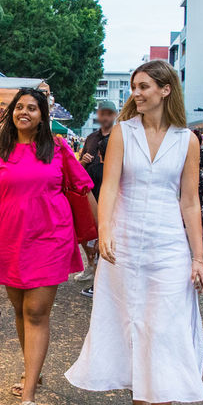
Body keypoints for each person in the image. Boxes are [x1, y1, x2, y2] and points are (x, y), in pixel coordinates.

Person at [65, 59, 203, 405]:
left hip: (168, 247)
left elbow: (190, 201)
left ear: (165, 89)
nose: (136, 93)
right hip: (125, 243)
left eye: (144, 86)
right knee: (132, 323)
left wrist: (198, 257)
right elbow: (108, 186)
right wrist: (104, 231)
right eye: (133, 86)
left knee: (163, 329)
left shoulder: (187, 140)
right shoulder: (123, 135)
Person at [0, 88, 94, 405]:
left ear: (42, 115)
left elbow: (84, 188)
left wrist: (102, 234)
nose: (25, 112)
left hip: (51, 239)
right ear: (11, 113)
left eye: (32, 108)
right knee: (20, 311)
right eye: (19, 107)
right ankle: (32, 367)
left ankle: (29, 395)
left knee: (36, 312)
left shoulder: (59, 149)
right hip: (11, 239)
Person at [76, 99, 117, 291]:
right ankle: (92, 267)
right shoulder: (91, 138)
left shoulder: (120, 137)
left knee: (106, 233)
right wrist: (83, 162)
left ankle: (102, 277)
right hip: (90, 191)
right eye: (102, 113)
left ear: (114, 115)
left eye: (109, 113)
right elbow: (79, 169)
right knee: (87, 233)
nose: (105, 117)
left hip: (111, 194)